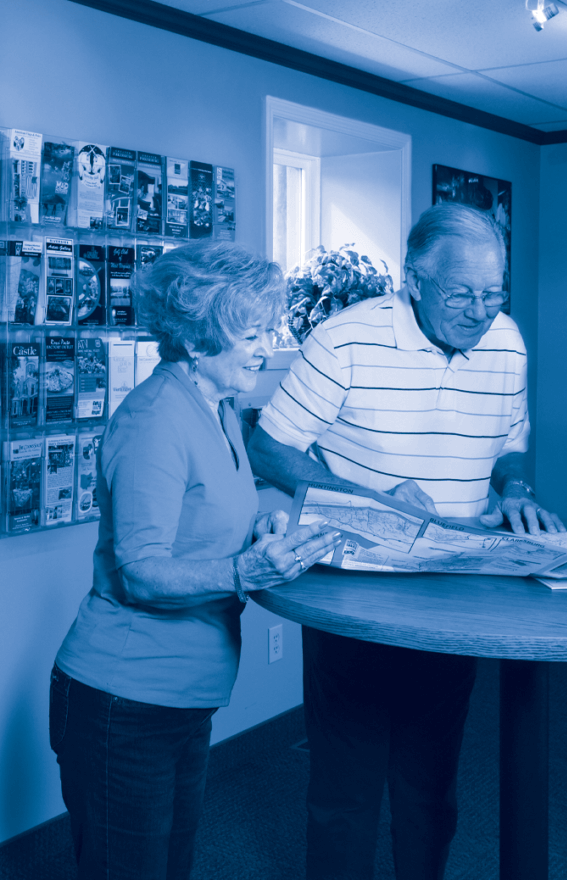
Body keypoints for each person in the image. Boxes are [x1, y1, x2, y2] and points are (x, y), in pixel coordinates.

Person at [249, 202, 563, 880]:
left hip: (454, 587)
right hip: (354, 588)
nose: (482, 310)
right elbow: (269, 449)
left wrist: (515, 490)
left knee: (430, 782)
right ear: (415, 280)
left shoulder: (507, 342)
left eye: (494, 291)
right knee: (346, 786)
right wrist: (372, 500)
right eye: (464, 294)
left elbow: (510, 446)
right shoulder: (344, 339)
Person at [50, 241, 340, 880]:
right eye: (252, 332)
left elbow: (203, 526)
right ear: (201, 334)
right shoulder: (154, 419)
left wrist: (256, 532)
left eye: (271, 329)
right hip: (122, 701)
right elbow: (141, 570)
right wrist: (246, 572)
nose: (268, 346)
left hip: (184, 696)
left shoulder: (221, 408)